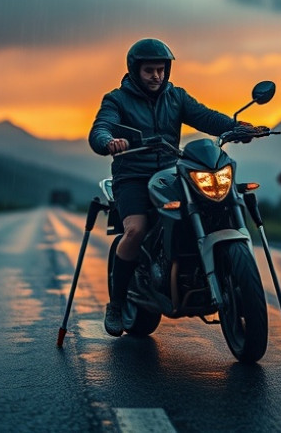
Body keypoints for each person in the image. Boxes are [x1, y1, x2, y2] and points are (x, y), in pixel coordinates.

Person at [88, 38, 242, 337]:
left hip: (171, 174)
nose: (156, 76)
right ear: (135, 71)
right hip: (132, 176)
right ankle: (116, 304)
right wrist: (109, 141)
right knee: (135, 230)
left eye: (160, 70)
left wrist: (236, 127)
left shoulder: (176, 97)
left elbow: (206, 116)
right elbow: (101, 127)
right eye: (149, 70)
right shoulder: (117, 100)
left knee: (210, 208)